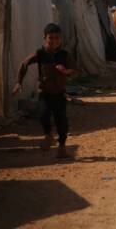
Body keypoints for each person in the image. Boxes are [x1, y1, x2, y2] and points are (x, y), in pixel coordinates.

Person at [13, 23, 76, 158]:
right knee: (43, 114)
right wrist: (19, 82)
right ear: (45, 38)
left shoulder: (65, 55)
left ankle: (62, 147)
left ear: (61, 39)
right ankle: (48, 136)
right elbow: (24, 64)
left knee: (61, 120)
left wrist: (65, 71)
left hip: (59, 94)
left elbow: (74, 72)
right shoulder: (40, 53)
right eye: (51, 38)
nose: (54, 41)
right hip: (45, 93)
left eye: (57, 38)